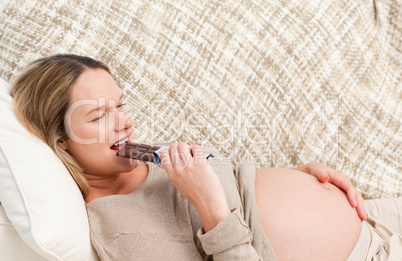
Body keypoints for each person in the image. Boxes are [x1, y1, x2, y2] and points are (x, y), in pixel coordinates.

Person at [11, 54, 401, 261]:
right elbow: (222, 211)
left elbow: (237, 186)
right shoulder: (118, 231)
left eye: (120, 105)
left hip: (373, 216)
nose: (124, 123)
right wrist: (211, 209)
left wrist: (297, 176)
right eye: (99, 115)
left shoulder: (150, 156)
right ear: (61, 142)